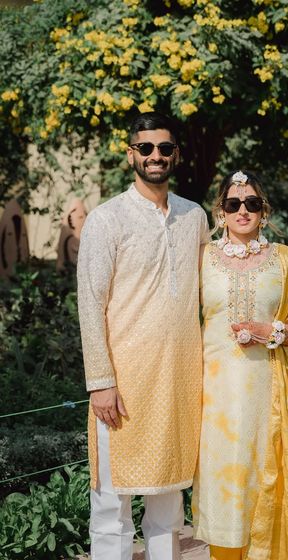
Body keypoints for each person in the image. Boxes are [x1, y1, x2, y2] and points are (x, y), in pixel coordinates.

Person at [192, 170, 288, 560]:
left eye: (252, 204)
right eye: (233, 204)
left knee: (270, 487)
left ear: (264, 211)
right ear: (220, 210)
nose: (242, 210)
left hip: (273, 400)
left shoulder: (285, 260)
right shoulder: (201, 259)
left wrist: (272, 331)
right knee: (227, 492)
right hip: (214, 403)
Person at [77, 111, 209, 560]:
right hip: (123, 385)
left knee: (169, 507)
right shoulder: (107, 219)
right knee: (112, 509)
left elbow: (212, 295)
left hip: (179, 384)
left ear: (176, 156)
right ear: (131, 153)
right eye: (147, 148)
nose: (156, 156)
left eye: (165, 148)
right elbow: (90, 303)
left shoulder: (194, 217)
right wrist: (101, 381)